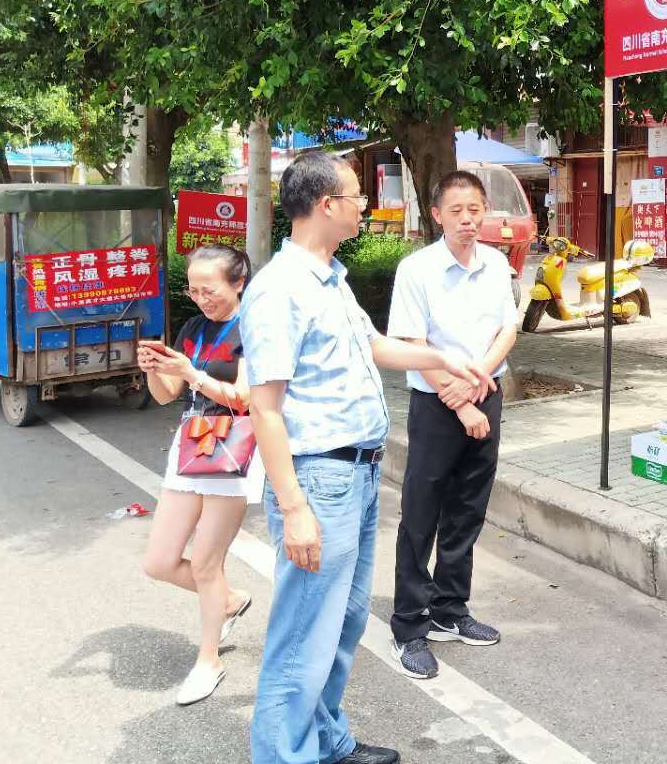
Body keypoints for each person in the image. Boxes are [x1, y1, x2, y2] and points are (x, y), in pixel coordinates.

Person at [242, 152, 495, 764]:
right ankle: (285, 755)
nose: (365, 206)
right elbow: (265, 407)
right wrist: (294, 507)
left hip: (355, 474)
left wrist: (442, 359)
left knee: (342, 625)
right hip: (318, 478)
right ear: (327, 206)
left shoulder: (329, 276)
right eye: (357, 196)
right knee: (303, 635)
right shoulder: (279, 290)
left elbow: (375, 346)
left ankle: (326, 743)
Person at [388, 171, 518, 679]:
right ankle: (410, 625)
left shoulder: (496, 263)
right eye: (457, 211)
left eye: (475, 210)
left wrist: (479, 382)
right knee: (422, 514)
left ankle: (450, 609)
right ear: (437, 214)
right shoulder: (416, 269)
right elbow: (412, 346)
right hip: (438, 405)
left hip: (486, 393)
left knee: (468, 509)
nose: (468, 220)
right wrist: (459, 402)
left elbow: (507, 328)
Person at [139, 243, 259, 706]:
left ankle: (208, 660)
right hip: (192, 445)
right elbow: (169, 394)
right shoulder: (193, 328)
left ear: (238, 283)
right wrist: (154, 370)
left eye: (209, 289)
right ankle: (227, 600)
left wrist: (191, 374)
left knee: (207, 563)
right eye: (193, 289)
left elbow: (245, 398)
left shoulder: (254, 326)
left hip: (237, 448)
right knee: (160, 561)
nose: (200, 298)